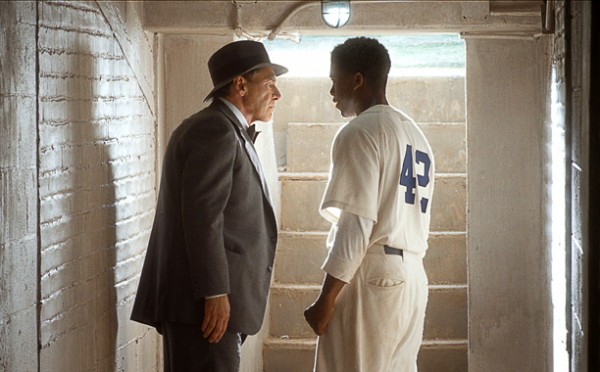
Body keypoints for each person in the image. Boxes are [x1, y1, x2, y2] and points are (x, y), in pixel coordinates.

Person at [131, 40, 287, 372]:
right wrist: (215, 293)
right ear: (240, 85)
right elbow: (204, 218)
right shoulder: (214, 129)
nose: (277, 94)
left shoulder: (227, 129)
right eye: (269, 83)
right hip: (203, 306)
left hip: (207, 306)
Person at [304, 37, 435, 372]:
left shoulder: (360, 131)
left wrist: (326, 299)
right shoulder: (415, 134)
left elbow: (356, 224)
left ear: (357, 80)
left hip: (374, 276)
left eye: (335, 81)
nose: (332, 93)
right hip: (413, 276)